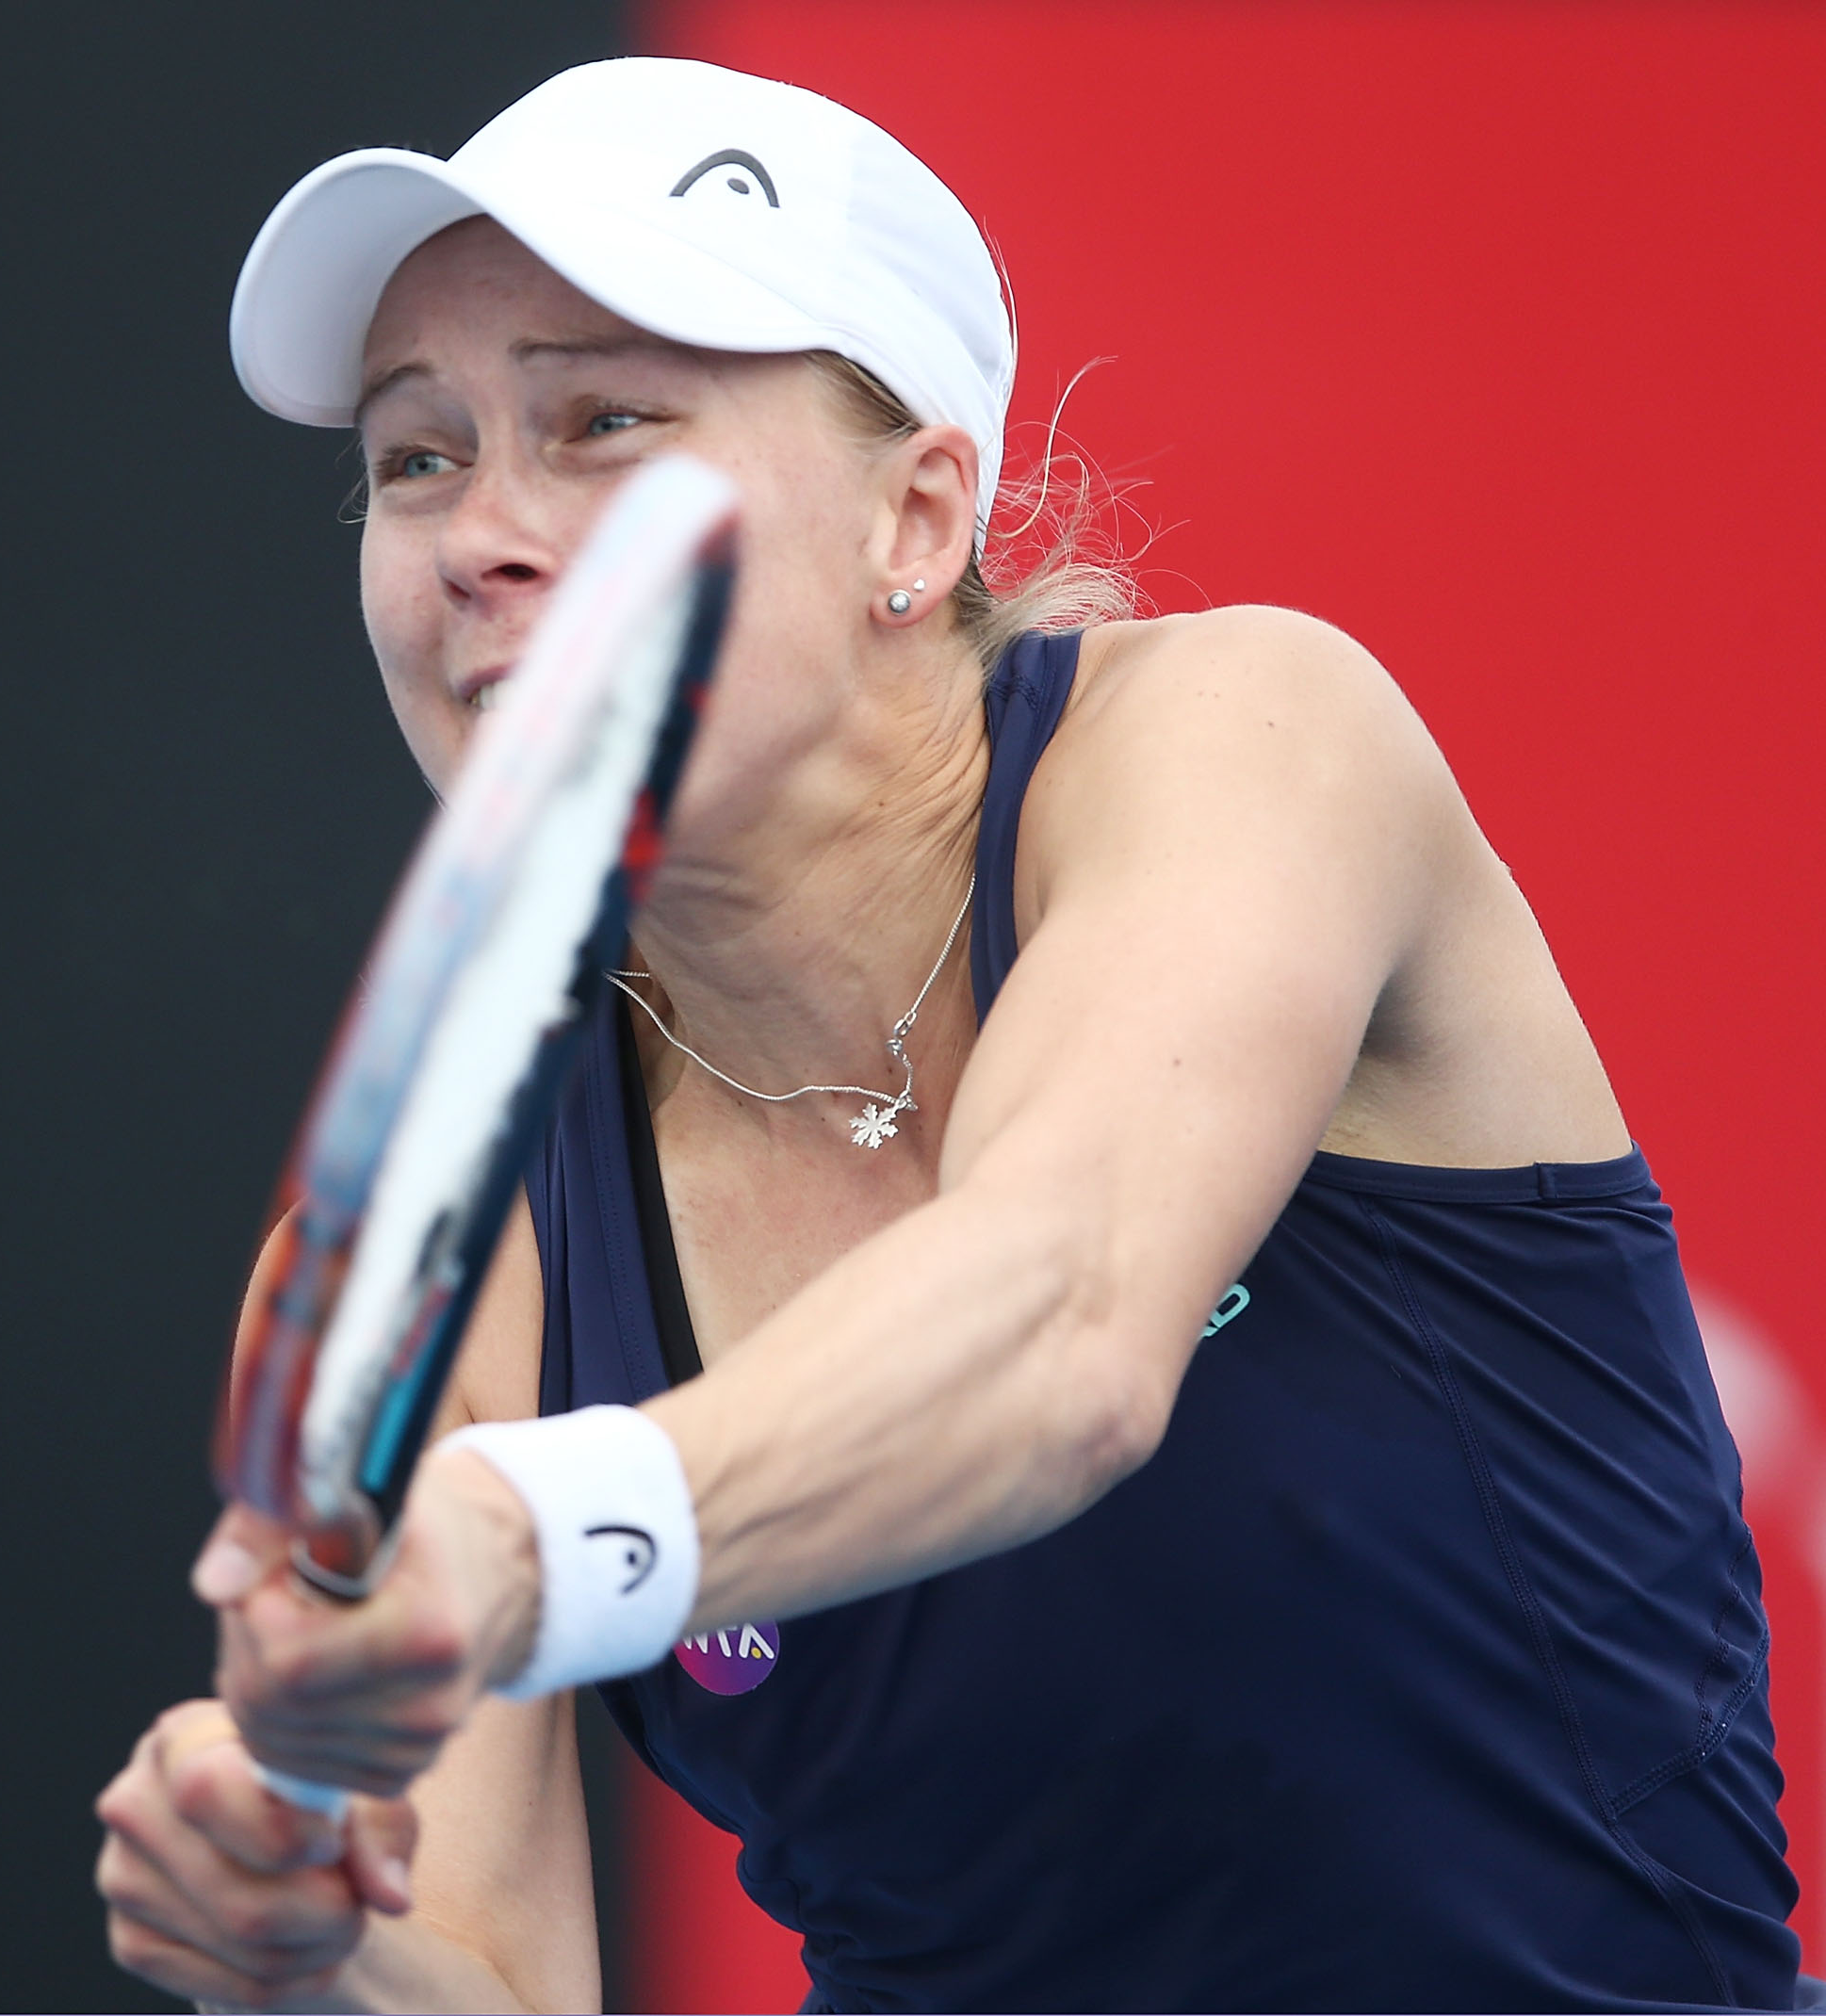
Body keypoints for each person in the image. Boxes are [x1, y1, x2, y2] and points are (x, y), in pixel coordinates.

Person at [95, 57, 1799, 2013]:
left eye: (603, 421)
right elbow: (483, 1977)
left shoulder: (1250, 730)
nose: (484, 527)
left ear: (918, 515)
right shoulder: (452, 1241)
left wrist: (524, 1536)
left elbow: (1062, 1321)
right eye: (417, 455)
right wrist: (310, 1941)